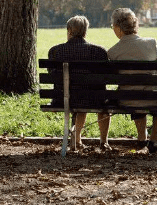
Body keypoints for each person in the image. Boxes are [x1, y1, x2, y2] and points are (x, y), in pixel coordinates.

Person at [107, 8, 157, 154]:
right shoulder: (151, 43)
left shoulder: (112, 52)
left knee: (132, 90)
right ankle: (153, 141)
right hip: (154, 99)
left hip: (126, 100)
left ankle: (141, 139)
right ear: (135, 25)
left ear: (117, 28)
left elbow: (111, 77)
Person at [48, 15, 112, 151]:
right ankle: (104, 142)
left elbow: (51, 74)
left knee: (78, 96)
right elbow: (105, 78)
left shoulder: (55, 51)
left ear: (69, 31)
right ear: (85, 32)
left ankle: (77, 141)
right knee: (99, 98)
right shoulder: (99, 52)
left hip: (63, 99)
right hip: (93, 99)